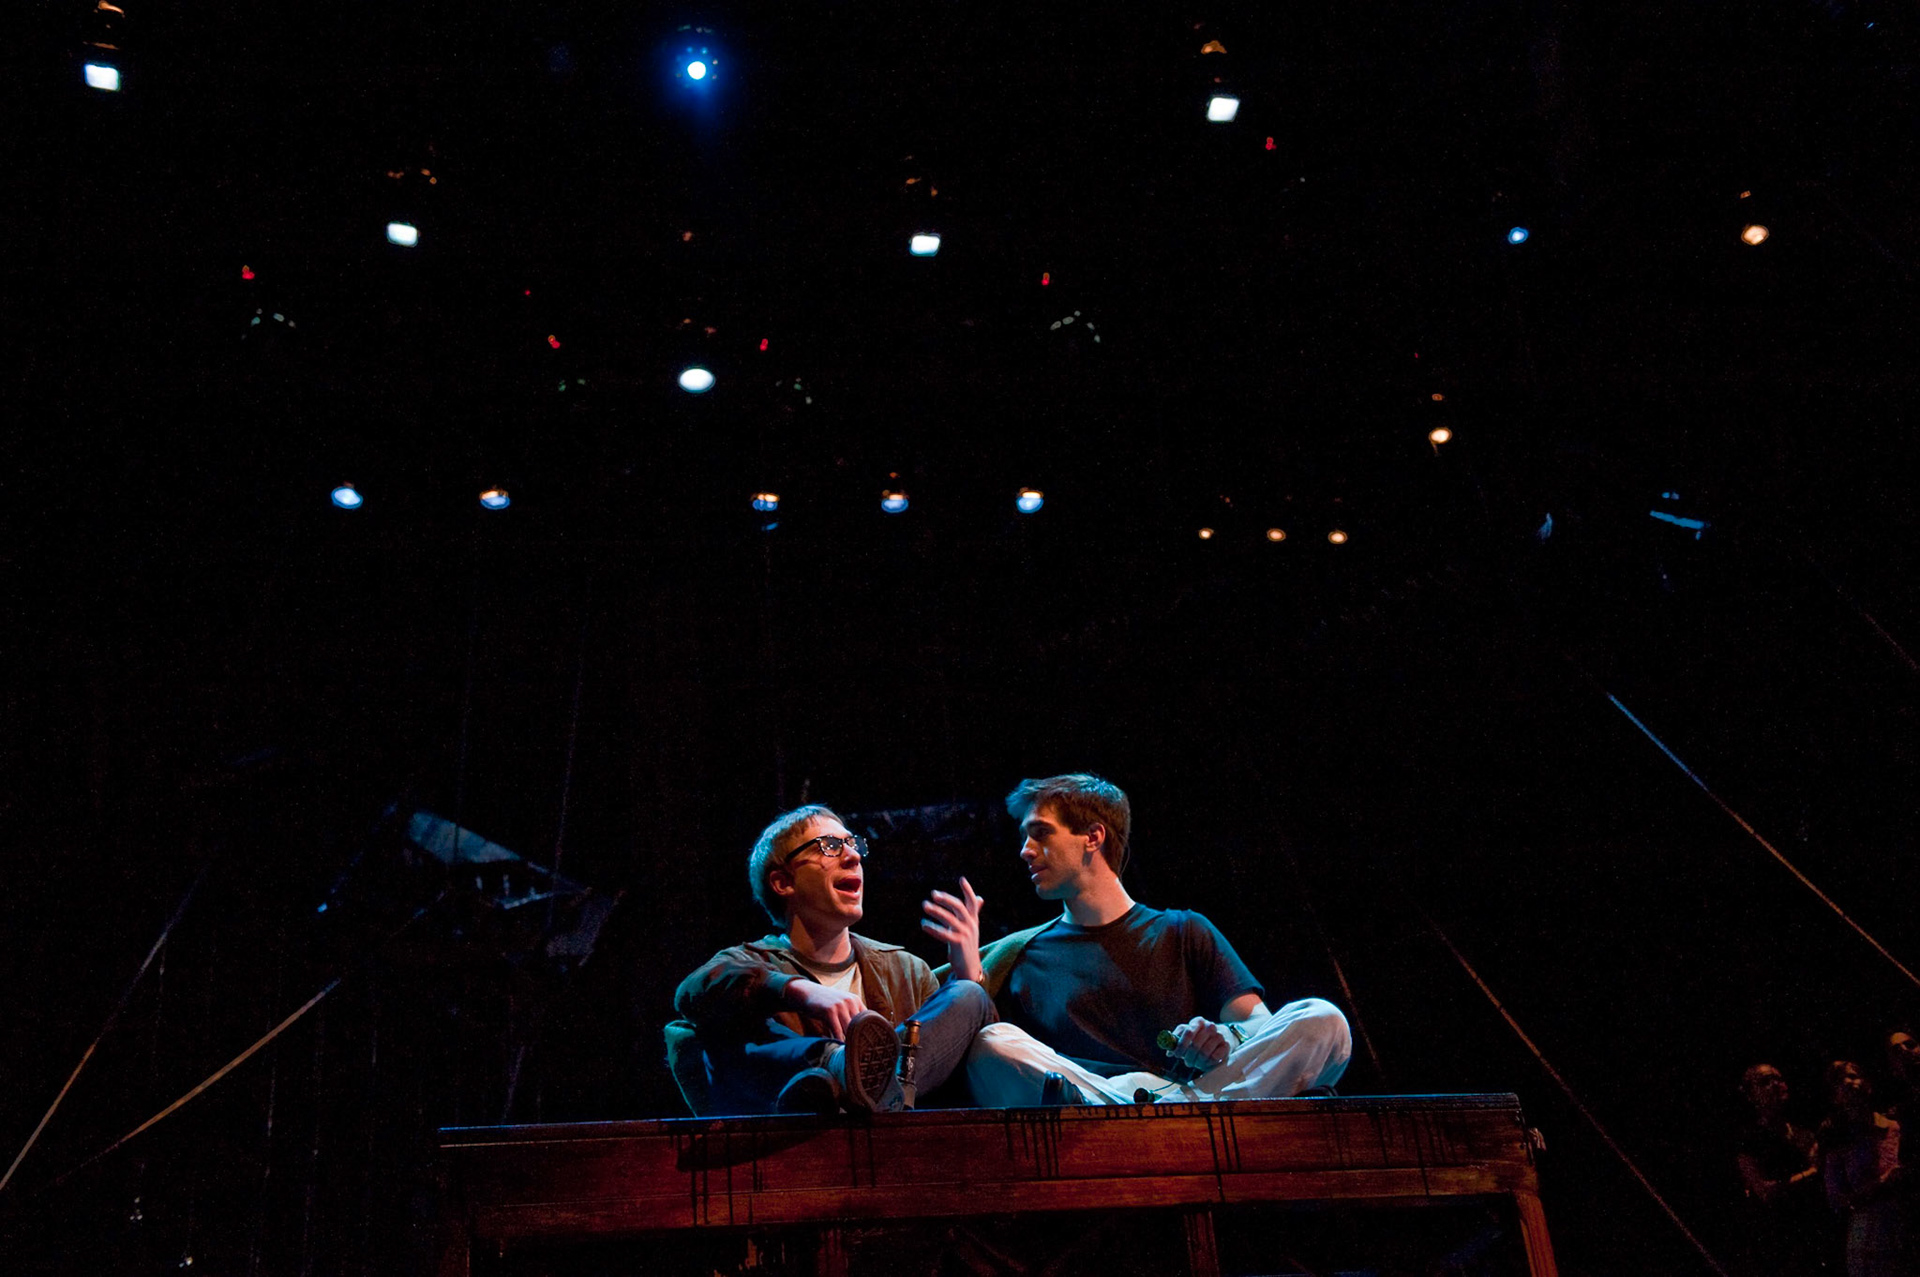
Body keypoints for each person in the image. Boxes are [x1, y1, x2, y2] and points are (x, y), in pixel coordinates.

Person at [963, 773, 1351, 1107]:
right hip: (1097, 1097)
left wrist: (1225, 1036)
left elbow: (1258, 1023)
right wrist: (968, 978)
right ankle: (1150, 1121)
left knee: (1324, 1019)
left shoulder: (1183, 929)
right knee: (991, 1044)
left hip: (1196, 1093)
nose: (1025, 851)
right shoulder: (1023, 954)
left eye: (1040, 833)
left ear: (1093, 837)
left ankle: (1161, 1118)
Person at [666, 804, 994, 1115]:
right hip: (801, 1144)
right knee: (725, 1023)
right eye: (829, 846)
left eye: (853, 845)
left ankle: (856, 1083)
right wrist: (802, 992)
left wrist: (969, 975)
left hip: (894, 1136)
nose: (852, 856)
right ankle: (834, 1065)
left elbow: (964, 1068)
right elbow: (691, 992)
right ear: (783, 882)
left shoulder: (904, 969)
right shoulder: (752, 961)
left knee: (968, 995)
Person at [1731, 1063, 1831, 1277]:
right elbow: (1765, 1191)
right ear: (1750, 1095)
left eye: (1778, 1079)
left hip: (1814, 1234)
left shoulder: (1804, 1133)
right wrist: (1812, 1171)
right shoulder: (1748, 1140)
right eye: (1765, 1082)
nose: (1775, 1085)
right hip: (1777, 1242)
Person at [1819, 1059, 1912, 1277]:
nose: (1848, 1083)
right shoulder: (1838, 1140)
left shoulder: (1896, 1126)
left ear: (1868, 1084)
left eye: (1853, 1075)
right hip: (1870, 1234)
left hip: (1908, 1226)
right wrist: (1882, 1183)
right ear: (1834, 1097)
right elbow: (1836, 1199)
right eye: (1839, 1081)